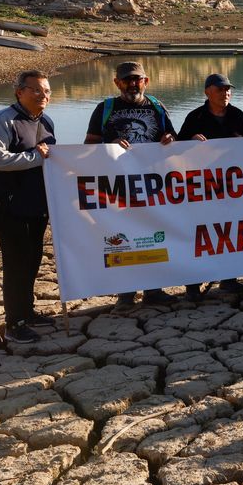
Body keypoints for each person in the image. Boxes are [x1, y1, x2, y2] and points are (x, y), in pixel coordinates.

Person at [85, 61, 180, 307]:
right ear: (117, 83)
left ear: (146, 81)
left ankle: (153, 289)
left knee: (153, 235)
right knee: (122, 239)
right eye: (127, 80)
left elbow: (171, 139)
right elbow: (88, 147)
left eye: (137, 79)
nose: (132, 84)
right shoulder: (104, 109)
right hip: (117, 187)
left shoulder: (157, 107)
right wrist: (110, 145)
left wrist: (170, 139)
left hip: (151, 184)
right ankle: (125, 292)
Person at [0, 70, 56, 344]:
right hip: (9, 208)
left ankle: (28, 312)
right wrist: (34, 157)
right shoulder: (3, 120)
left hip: (37, 208)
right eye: (36, 90)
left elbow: (50, 160)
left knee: (32, 261)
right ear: (19, 92)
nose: (43, 95)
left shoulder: (46, 121)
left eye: (46, 91)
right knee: (16, 266)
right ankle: (15, 323)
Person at [177, 73, 243, 299]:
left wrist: (242, 142)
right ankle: (192, 285)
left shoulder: (237, 114)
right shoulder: (194, 116)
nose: (225, 93)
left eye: (228, 89)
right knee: (199, 235)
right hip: (201, 188)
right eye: (220, 89)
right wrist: (190, 142)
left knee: (229, 232)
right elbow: (176, 150)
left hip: (230, 186)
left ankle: (229, 278)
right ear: (207, 92)